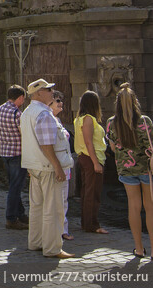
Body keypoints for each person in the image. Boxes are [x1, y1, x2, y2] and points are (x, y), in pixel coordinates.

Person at [20, 78, 74, 259]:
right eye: (48, 90)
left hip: (35, 165)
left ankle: (35, 242)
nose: (52, 92)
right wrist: (58, 167)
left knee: (37, 206)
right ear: (38, 94)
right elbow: (46, 145)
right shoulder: (43, 114)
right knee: (53, 207)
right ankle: (52, 248)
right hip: (47, 167)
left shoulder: (28, 112)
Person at [105, 84, 153, 259]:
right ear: (135, 102)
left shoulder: (111, 123)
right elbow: (150, 145)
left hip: (126, 169)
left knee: (133, 207)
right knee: (150, 208)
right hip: (147, 170)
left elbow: (112, 147)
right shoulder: (145, 121)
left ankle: (139, 249)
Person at [73, 90, 108, 235]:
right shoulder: (88, 119)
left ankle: (86, 222)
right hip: (90, 158)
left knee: (87, 191)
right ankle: (92, 224)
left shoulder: (79, 119)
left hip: (85, 158)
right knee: (92, 193)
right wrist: (96, 162)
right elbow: (88, 142)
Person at [0, 85, 28, 229]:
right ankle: (11, 217)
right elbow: (24, 134)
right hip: (17, 153)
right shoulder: (16, 113)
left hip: (5, 152)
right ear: (20, 98)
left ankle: (21, 214)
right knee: (15, 187)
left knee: (13, 185)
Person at [48, 90, 73, 241]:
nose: (60, 103)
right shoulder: (50, 120)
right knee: (58, 199)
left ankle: (62, 228)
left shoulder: (57, 120)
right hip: (57, 165)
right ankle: (59, 230)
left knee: (63, 199)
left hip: (64, 164)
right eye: (57, 100)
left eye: (60, 100)